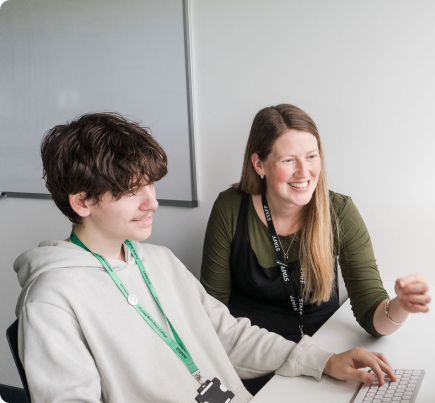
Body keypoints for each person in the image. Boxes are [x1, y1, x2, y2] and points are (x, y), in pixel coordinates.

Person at [14, 112, 397, 403]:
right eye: (132, 191)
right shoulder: (52, 299)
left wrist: (323, 361)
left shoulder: (158, 261)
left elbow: (229, 335)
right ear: (82, 201)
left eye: (150, 185)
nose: (153, 202)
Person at [200, 105, 431, 381]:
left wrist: (400, 306)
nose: (304, 172)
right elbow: (209, 316)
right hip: (254, 361)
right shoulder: (230, 209)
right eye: (288, 160)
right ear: (259, 164)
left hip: (326, 360)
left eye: (311, 157)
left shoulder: (339, 211)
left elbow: (372, 315)